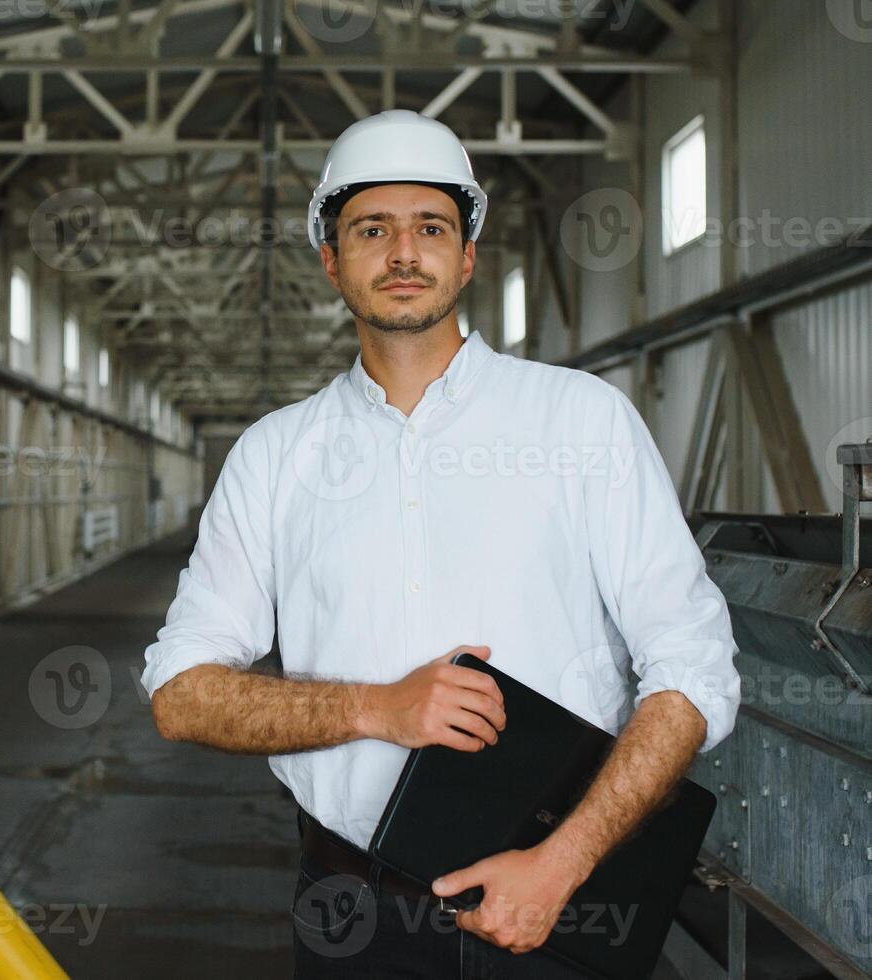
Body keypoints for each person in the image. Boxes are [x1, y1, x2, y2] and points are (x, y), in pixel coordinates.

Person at [138, 109, 741, 978]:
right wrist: (375, 708)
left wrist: (563, 861)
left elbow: (693, 665)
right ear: (330, 258)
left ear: (466, 256)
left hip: (561, 904)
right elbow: (180, 694)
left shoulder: (581, 421)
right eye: (371, 229)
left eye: (430, 227)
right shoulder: (275, 456)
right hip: (352, 916)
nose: (402, 252)